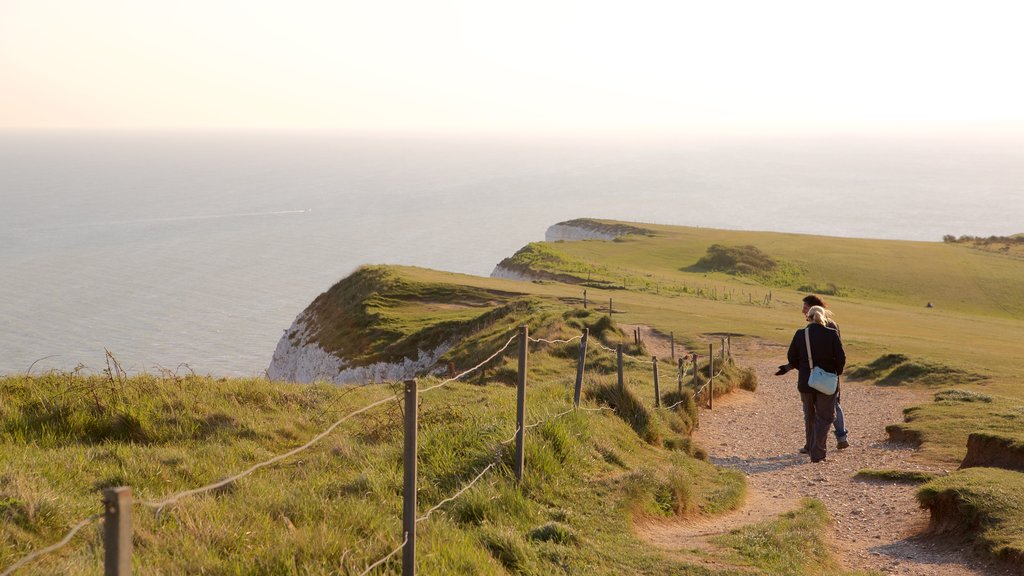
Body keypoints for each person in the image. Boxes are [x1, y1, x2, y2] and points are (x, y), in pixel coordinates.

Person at [781, 305, 846, 463]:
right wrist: (835, 373)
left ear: (808, 318)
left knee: (809, 415)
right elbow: (841, 358)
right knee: (825, 417)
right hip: (827, 384)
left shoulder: (800, 334)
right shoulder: (831, 334)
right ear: (824, 318)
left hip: (806, 382)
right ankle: (817, 453)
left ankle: (810, 447)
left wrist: (804, 369)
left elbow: (792, 358)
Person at [802, 295, 849, 450]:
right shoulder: (823, 324)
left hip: (825, 374)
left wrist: (836, 371)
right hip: (828, 372)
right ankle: (833, 439)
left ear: (814, 308)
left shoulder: (828, 325)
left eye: (805, 307)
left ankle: (838, 438)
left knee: (832, 405)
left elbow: (837, 351)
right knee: (831, 405)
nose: (803, 310)